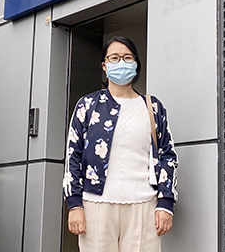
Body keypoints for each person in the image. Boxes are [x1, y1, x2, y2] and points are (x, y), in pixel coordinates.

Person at [63, 36, 178, 252]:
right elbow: (73, 156)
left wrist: (165, 203)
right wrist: (74, 204)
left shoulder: (152, 107)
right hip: (96, 205)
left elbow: (167, 155)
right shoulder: (87, 106)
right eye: (114, 58)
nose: (121, 63)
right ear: (104, 66)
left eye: (127, 58)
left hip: (144, 205)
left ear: (136, 63)